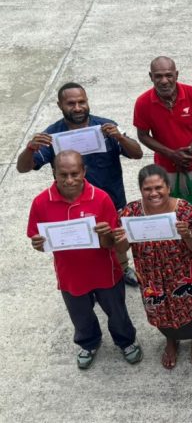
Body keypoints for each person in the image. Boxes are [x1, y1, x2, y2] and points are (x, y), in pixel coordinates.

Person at [17, 82, 142, 287]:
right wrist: (30, 149)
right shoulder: (52, 136)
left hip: (110, 200)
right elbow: (23, 168)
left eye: (81, 102)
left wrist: (120, 137)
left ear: (87, 102)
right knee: (80, 244)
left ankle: (123, 267)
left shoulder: (106, 127)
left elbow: (137, 153)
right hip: (72, 204)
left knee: (116, 241)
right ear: (60, 105)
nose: (77, 107)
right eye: (71, 103)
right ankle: (87, 281)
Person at [26, 151, 142, 369]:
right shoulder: (41, 202)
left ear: (84, 172)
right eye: (63, 175)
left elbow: (112, 243)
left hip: (105, 271)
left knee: (117, 313)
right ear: (54, 173)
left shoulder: (100, 198)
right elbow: (37, 240)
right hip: (70, 274)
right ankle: (88, 343)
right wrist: (38, 244)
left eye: (74, 173)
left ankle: (126, 341)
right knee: (80, 315)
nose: (69, 180)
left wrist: (106, 234)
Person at [113, 164, 192, 370]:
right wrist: (121, 238)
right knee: (160, 312)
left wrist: (188, 235)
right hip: (152, 276)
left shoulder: (184, 210)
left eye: (159, 187)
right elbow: (122, 247)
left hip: (185, 274)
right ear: (141, 190)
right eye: (148, 189)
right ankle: (170, 340)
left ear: (168, 187)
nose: (154, 193)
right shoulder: (131, 212)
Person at [133, 56, 192, 197]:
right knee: (172, 208)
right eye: (158, 76)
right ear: (151, 77)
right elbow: (143, 135)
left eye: (168, 75)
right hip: (166, 168)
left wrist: (188, 152)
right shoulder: (143, 103)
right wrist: (171, 154)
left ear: (176, 75)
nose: (164, 81)